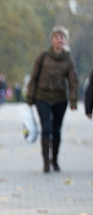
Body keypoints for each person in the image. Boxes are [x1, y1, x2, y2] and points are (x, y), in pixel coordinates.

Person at [25, 26, 78, 173]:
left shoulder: (68, 61)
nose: (59, 40)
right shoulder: (43, 57)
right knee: (46, 128)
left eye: (62, 38)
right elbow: (34, 76)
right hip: (42, 97)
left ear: (66, 41)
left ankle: (54, 158)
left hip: (60, 99)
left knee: (56, 130)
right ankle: (45, 162)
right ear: (52, 39)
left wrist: (73, 100)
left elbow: (73, 82)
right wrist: (29, 97)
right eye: (56, 37)